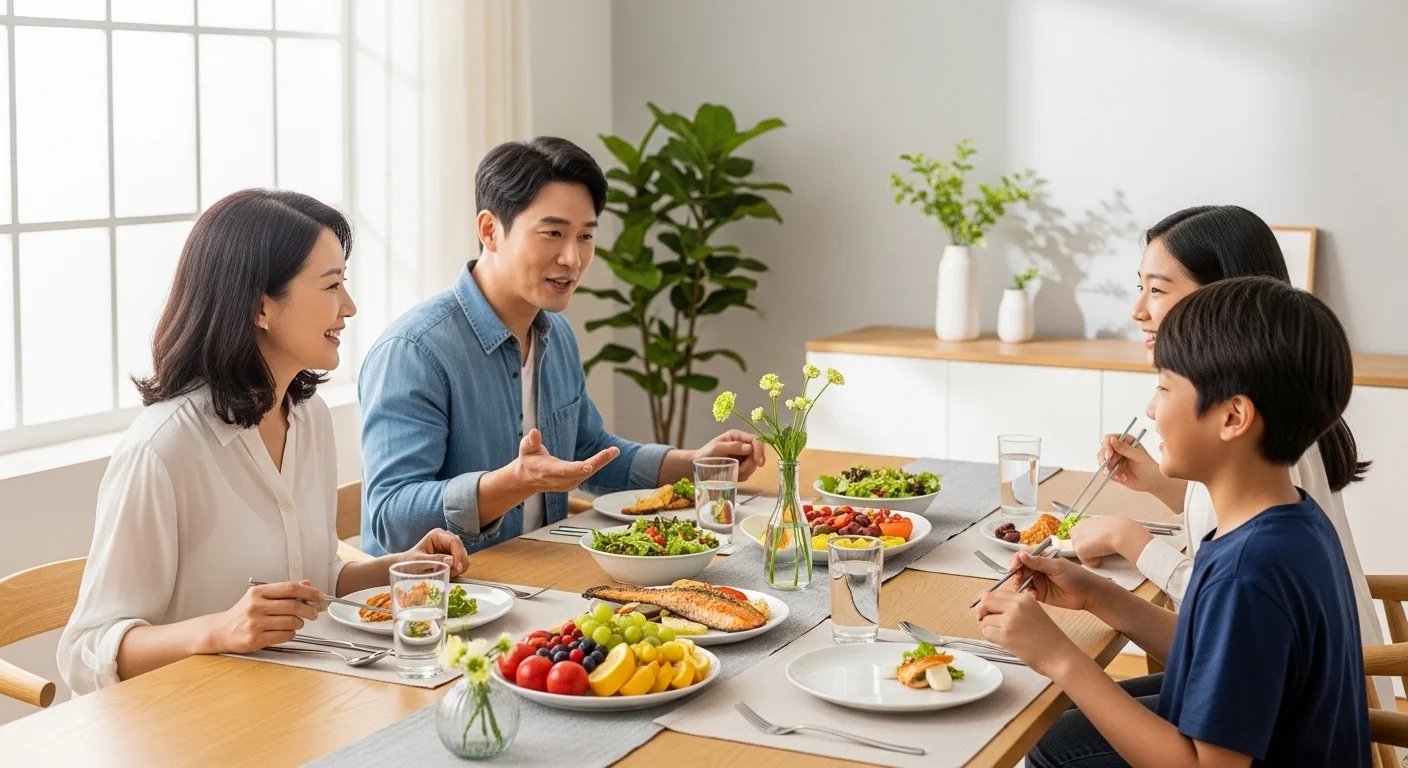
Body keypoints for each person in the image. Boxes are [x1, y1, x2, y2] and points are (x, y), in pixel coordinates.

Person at [58, 189, 469, 694]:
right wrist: (219, 630)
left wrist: (396, 570)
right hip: (191, 724)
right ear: (260, 307)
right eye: (332, 285)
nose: (350, 306)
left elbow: (311, 578)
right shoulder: (162, 450)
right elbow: (85, 652)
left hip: (296, 701)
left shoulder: (310, 419)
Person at [981, 277, 1369, 767]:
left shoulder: (1247, 572)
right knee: (1053, 733)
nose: (1150, 408)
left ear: (1233, 417)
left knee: (1044, 746)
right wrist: (1097, 594)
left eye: (1164, 387)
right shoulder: (1291, 522)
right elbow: (1218, 654)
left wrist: (1059, 656)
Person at [358, 137, 763, 556]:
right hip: (444, 603)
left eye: (585, 236)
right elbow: (391, 517)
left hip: (543, 578)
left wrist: (698, 463)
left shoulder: (557, 334)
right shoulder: (414, 351)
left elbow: (587, 451)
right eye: (552, 233)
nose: (572, 258)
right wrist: (515, 481)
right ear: (490, 230)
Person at [1064, 204, 1390, 711]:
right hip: (1317, 674)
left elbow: (1240, 595)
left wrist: (1130, 540)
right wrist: (1157, 479)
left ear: (1222, 296)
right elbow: (1239, 527)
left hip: (1317, 691)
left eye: (1157, 288)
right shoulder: (1275, 420)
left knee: (1065, 718)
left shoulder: (1266, 441)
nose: (1138, 310)